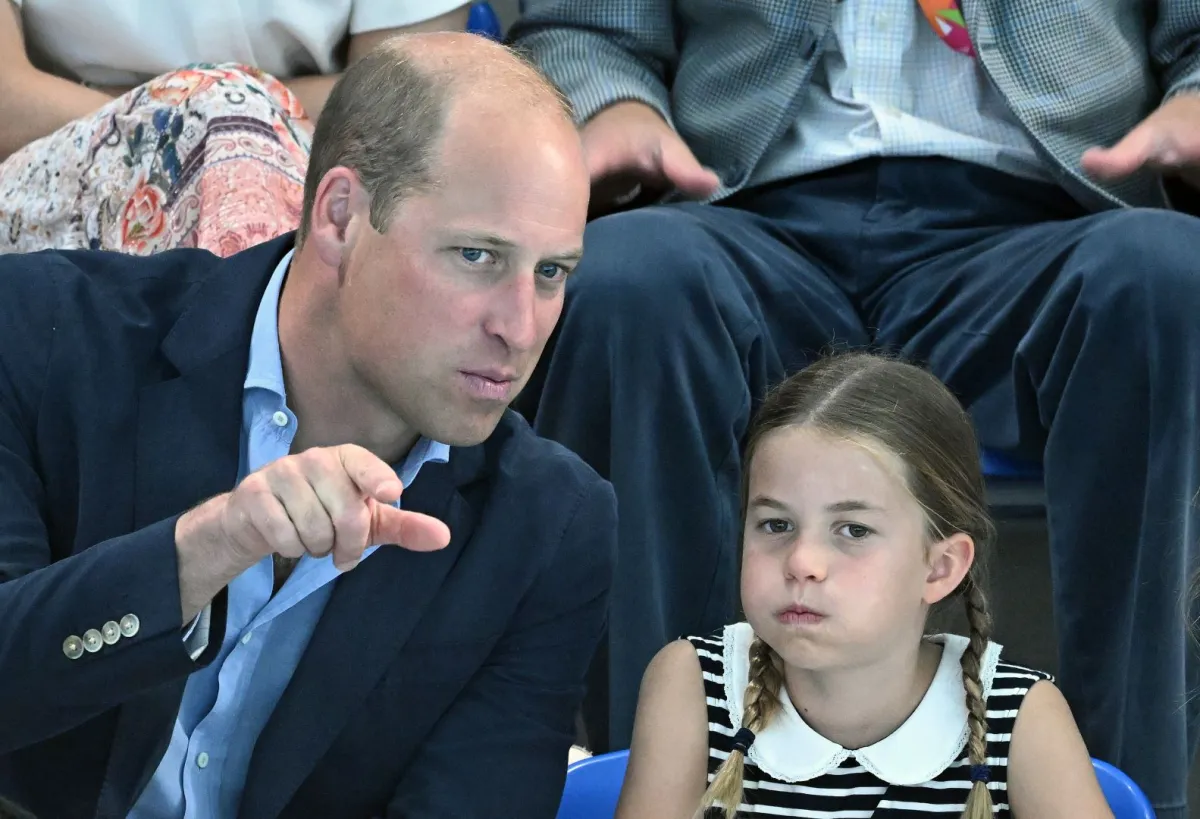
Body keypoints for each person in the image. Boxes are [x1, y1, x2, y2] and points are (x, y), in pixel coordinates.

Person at [510, 1, 1200, 814]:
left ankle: (1133, 793)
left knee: (1171, 280)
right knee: (628, 284)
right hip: (739, 203)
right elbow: (587, 30)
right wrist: (611, 100)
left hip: (1045, 209)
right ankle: (656, 778)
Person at [0, 32, 609, 819]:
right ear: (340, 216)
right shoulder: (39, 333)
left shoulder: (552, 526)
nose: (520, 328)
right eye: (476, 256)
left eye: (551, 272)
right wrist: (204, 548)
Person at [617, 354, 1113, 819]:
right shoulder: (691, 685)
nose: (802, 562)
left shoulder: (1021, 716)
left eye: (854, 530)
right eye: (775, 524)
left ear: (939, 568)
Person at [0, 0, 471, 254]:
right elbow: (9, 103)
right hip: (62, 155)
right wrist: (192, 111)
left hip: (305, 152)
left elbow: (402, 101)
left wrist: (219, 107)